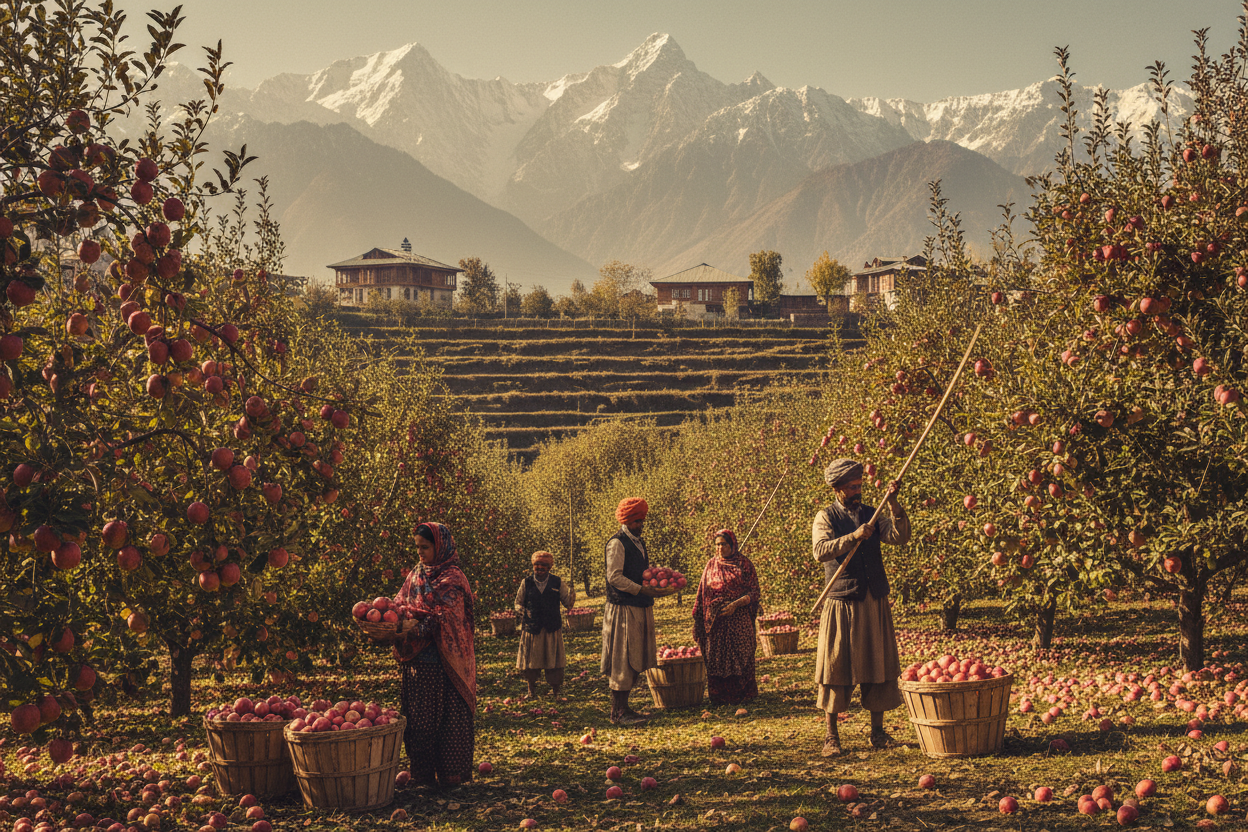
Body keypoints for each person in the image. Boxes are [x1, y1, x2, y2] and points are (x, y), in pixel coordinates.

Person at [812, 460, 910, 756]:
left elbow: (899, 537)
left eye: (860, 486)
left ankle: (878, 733)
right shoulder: (825, 517)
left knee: (877, 665)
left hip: (873, 598)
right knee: (835, 667)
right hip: (842, 601)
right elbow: (820, 551)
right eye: (852, 487)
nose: (858, 491)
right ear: (837, 488)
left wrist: (893, 504)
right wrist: (853, 537)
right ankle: (832, 737)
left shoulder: (873, 513)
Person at [393, 522, 477, 788]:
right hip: (419, 662)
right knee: (420, 722)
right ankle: (424, 778)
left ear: (440, 547)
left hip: (447, 664)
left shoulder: (453, 578)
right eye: (417, 547)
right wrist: (392, 622)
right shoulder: (416, 574)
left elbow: (447, 618)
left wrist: (416, 627)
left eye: (425, 547)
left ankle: (451, 777)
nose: (420, 553)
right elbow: (399, 604)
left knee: (450, 722)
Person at [600, 496, 666, 725]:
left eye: (641, 521)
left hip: (639, 605)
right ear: (626, 521)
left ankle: (625, 708)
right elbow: (614, 577)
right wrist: (640, 589)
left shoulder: (639, 542)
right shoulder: (616, 543)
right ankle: (618, 712)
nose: (640, 525)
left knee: (636, 657)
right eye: (636, 521)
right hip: (623, 608)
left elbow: (639, 571)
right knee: (623, 658)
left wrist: (654, 580)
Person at [691, 529, 760, 705]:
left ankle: (742, 695)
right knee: (716, 656)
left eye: (724, 544)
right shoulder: (711, 565)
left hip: (738, 617)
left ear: (732, 545)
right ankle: (719, 696)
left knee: (740, 654)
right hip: (716, 620)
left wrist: (734, 605)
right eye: (717, 544)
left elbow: (754, 591)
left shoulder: (743, 564)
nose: (720, 548)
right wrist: (698, 620)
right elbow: (702, 594)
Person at [514, 550, 576, 698]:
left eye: (544, 565)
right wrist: (521, 610)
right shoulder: (526, 583)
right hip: (532, 628)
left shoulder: (557, 582)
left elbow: (568, 604)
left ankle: (555, 692)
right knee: (530, 662)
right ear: (533, 565)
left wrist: (571, 594)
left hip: (551, 627)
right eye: (537, 565)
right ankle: (531, 691)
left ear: (550, 567)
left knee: (554, 662)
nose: (540, 568)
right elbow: (518, 602)